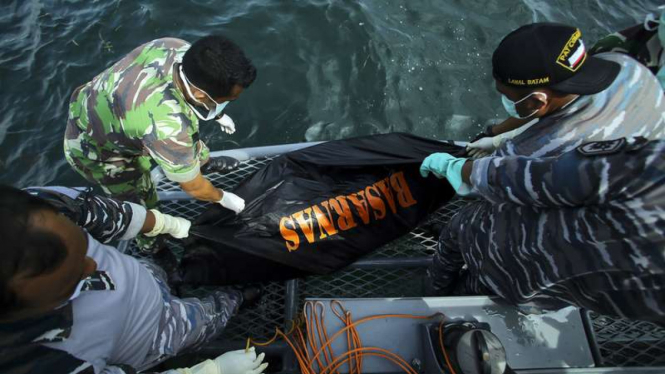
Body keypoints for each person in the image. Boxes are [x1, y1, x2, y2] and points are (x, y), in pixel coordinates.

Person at [0, 185, 263, 373]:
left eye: (84, 248)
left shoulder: (39, 207)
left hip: (142, 274)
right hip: (158, 335)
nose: (93, 266)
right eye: (71, 283)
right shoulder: (34, 361)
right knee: (210, 316)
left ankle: (174, 278)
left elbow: (115, 215)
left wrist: (169, 224)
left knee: (158, 272)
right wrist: (211, 370)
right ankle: (234, 300)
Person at [420, 137, 665, 323]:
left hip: (492, 231)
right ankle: (442, 306)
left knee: (450, 248)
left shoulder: (654, 170)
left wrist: (462, 169)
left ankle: (432, 295)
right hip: (531, 290)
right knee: (473, 291)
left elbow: (543, 178)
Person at [64, 36, 256, 251]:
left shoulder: (174, 47)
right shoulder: (170, 128)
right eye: (225, 101)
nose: (226, 105)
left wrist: (217, 115)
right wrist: (222, 197)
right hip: (100, 152)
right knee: (141, 205)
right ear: (200, 94)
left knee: (185, 141)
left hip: (109, 108)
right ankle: (152, 246)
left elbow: (183, 130)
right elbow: (193, 188)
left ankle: (201, 163)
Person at [465, 22, 665, 159]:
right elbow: (539, 108)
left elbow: (489, 177)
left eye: (506, 95)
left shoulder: (551, 145)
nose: (503, 97)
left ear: (538, 101)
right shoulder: (620, 62)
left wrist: (451, 166)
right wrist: (496, 135)